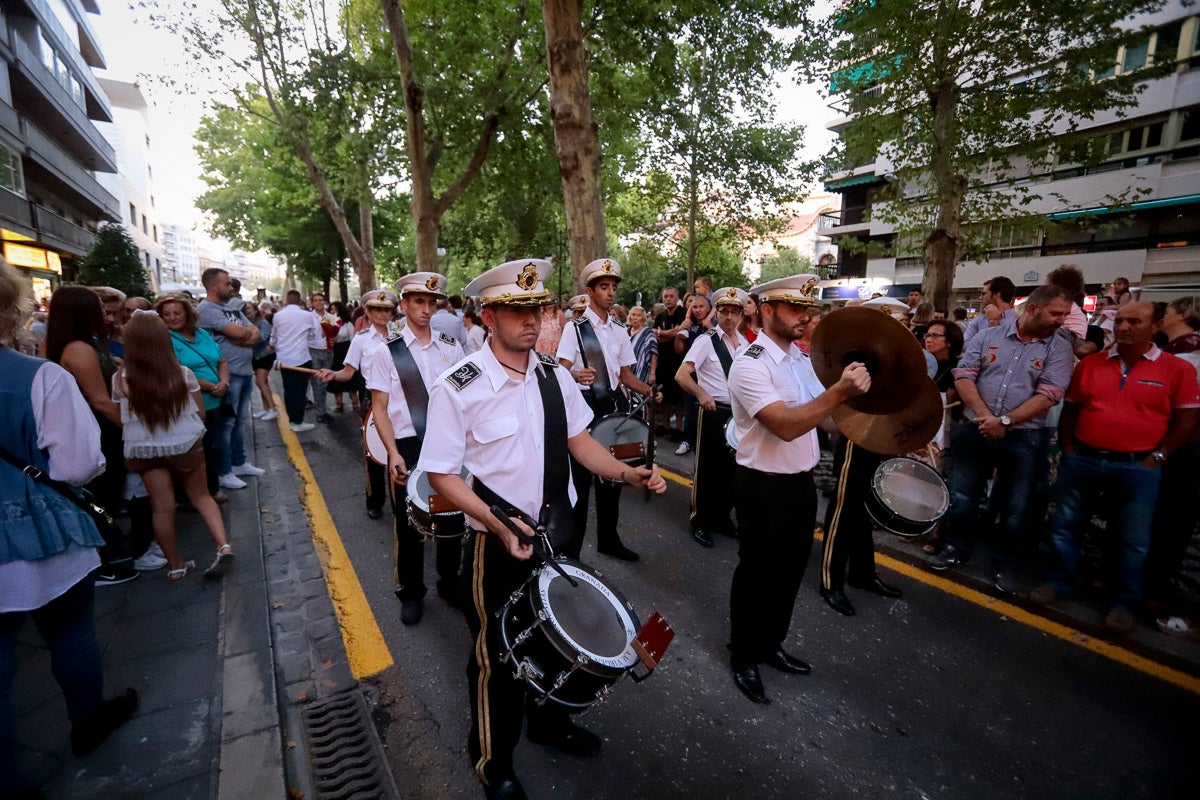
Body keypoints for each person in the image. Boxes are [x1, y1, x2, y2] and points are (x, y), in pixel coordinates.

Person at [417, 258, 665, 800]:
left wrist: (629, 473)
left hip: (560, 530)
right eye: (517, 309)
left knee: (562, 634)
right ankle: (492, 762)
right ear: (488, 316)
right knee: (498, 657)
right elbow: (440, 472)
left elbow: (581, 443)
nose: (531, 319)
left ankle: (550, 724)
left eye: (538, 308)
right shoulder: (458, 385)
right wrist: (494, 522)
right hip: (496, 539)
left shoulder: (553, 375)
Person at [0, 260, 137, 796]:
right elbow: (80, 464)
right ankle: (88, 721)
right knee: (71, 630)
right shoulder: (41, 378)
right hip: (42, 527)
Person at [726, 273, 871, 704]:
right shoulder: (750, 363)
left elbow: (820, 419)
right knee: (756, 574)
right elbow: (786, 425)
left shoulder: (801, 360)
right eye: (793, 309)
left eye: (806, 309)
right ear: (766, 311)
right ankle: (743, 655)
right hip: (761, 487)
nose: (803, 317)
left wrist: (859, 410)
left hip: (800, 486)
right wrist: (839, 392)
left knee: (789, 572)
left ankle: (770, 644)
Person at [1032, 302, 1200, 633]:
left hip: (1137, 466)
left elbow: (1188, 419)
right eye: (1119, 320)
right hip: (1083, 459)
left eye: (1134, 321)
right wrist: (1068, 448)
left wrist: (1159, 457)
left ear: (1154, 327)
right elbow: (1071, 409)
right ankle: (1059, 582)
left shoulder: (1177, 369)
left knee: (1133, 540)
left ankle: (1124, 603)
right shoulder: (1091, 365)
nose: (1123, 326)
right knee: (1065, 525)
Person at [926, 285, 1076, 593]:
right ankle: (956, 549)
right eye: (1056, 313)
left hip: (1023, 438)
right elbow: (965, 375)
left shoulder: (1059, 348)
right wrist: (985, 418)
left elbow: (1049, 394)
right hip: (975, 429)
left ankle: (1005, 564)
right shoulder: (988, 336)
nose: (1061, 321)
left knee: (1016, 506)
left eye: (1065, 314)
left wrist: (1005, 421)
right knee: (964, 496)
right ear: (1033, 309)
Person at [361, 274, 465, 625]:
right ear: (402, 305)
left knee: (451, 515)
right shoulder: (384, 353)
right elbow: (379, 407)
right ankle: (411, 591)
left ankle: (449, 583)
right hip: (407, 444)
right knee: (409, 525)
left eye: (431, 302)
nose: (425, 309)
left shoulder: (452, 347)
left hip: (447, 441)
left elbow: (465, 398)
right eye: (418, 302)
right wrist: (392, 452)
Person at [114, 313, 234, 582]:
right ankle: (223, 546)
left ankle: (176, 566)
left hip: (144, 451)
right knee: (202, 496)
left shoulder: (121, 378)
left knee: (161, 507)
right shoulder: (182, 374)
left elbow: (121, 415)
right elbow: (200, 413)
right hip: (184, 444)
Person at [557, 258, 658, 563]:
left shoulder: (618, 330)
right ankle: (570, 552)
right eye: (604, 287)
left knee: (613, 480)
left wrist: (650, 391)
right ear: (590, 291)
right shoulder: (575, 329)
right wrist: (576, 375)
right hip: (585, 406)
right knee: (581, 482)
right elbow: (561, 371)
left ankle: (609, 540)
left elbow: (626, 376)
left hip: (615, 405)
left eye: (613, 287)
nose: (611, 293)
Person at [44, 286, 136, 586]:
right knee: (104, 497)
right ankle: (107, 562)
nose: (104, 311)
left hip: (92, 429)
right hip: (100, 432)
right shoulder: (79, 349)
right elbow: (100, 400)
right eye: (98, 306)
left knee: (102, 497)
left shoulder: (73, 345)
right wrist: (136, 429)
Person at [317, 290, 400, 520]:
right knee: (375, 453)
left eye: (387, 309)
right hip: (372, 399)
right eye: (377, 309)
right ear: (368, 312)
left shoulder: (401, 335)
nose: (383, 314)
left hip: (400, 400)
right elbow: (348, 371)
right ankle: (374, 501)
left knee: (400, 450)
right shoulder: (361, 339)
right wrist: (333, 374)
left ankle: (399, 502)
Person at [676, 287, 748, 547]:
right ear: (716, 313)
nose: (728, 317)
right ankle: (700, 521)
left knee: (732, 471)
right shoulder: (706, 341)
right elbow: (682, 375)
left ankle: (721, 518)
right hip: (711, 411)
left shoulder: (746, 344)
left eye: (734, 312)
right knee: (707, 469)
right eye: (724, 311)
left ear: (741, 314)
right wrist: (701, 393)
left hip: (738, 415)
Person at [157, 294, 231, 502]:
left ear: (187, 314)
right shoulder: (165, 340)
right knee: (194, 450)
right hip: (191, 405)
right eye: (167, 314)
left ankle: (212, 489)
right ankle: (194, 495)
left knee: (213, 446)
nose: (172, 318)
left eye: (177, 313)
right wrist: (212, 385)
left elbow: (221, 360)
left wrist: (224, 382)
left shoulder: (202, 334)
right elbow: (175, 372)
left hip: (216, 401)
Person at [197, 268, 265, 490]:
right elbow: (240, 332)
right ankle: (224, 471)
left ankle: (239, 462)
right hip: (228, 375)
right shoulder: (206, 310)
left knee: (239, 422)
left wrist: (241, 338)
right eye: (227, 284)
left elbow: (255, 332)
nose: (231, 288)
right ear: (213, 286)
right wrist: (240, 335)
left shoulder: (229, 308)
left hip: (244, 371)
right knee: (226, 425)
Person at [271, 291, 324, 432]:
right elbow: (314, 334)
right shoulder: (307, 316)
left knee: (288, 389)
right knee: (300, 391)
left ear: (286, 300)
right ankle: (298, 421)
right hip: (301, 357)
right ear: (299, 300)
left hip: (283, 359)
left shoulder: (278, 316)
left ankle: (292, 419)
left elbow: (274, 336)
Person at [673, 293, 714, 455]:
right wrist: (681, 332)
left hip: (709, 375)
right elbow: (678, 349)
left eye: (701, 306)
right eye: (694, 307)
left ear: (708, 308)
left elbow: (720, 343)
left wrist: (709, 324)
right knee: (690, 409)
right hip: (691, 375)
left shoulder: (713, 325)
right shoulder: (690, 325)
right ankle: (687, 440)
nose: (697, 310)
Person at [653, 287, 688, 441]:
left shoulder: (683, 313)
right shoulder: (660, 316)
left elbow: (681, 333)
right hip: (663, 360)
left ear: (677, 297)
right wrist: (671, 333)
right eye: (665, 296)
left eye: (671, 296)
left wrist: (663, 333)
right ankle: (666, 426)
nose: (668, 299)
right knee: (665, 396)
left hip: (678, 360)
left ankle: (679, 428)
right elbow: (655, 334)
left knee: (678, 397)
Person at [308, 293, 338, 422]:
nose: (319, 302)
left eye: (321, 300)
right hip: (313, 350)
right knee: (317, 382)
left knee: (325, 381)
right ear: (312, 303)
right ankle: (320, 412)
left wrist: (333, 339)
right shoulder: (308, 317)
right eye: (316, 300)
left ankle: (322, 409)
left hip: (328, 351)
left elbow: (336, 334)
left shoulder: (331, 317)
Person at [247, 302, 278, 421]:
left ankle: (273, 409)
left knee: (260, 381)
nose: (246, 310)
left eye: (249, 308)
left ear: (255, 310)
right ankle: (266, 408)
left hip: (264, 355)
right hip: (255, 356)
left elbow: (263, 337)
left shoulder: (263, 323)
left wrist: (246, 339)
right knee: (262, 382)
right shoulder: (247, 323)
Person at [963, 277, 1017, 344]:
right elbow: (965, 344)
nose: (980, 298)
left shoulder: (1018, 320)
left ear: (996, 295)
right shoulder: (978, 321)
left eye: (984, 294)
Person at [327, 301, 358, 413]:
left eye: (335, 309)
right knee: (336, 378)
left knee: (351, 378)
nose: (333, 312)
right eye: (331, 310)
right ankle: (339, 404)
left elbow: (352, 339)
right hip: (336, 352)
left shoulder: (347, 324)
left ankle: (355, 404)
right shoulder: (329, 323)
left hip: (346, 351)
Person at [627, 305, 657, 385]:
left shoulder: (648, 333)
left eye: (638, 315)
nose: (635, 318)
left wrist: (652, 373)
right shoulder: (626, 332)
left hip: (643, 369)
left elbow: (654, 354)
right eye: (633, 315)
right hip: (627, 371)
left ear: (643, 318)